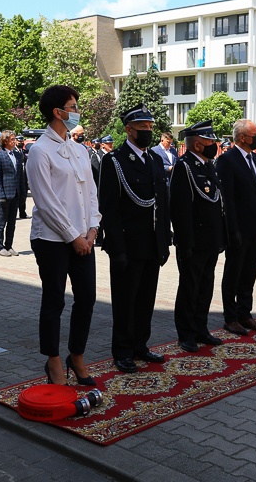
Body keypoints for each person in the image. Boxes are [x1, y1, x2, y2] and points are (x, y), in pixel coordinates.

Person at [28, 85, 100, 387]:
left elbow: (91, 192)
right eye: (72, 107)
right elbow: (46, 202)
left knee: (87, 298)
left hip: (85, 238)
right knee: (54, 300)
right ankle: (53, 360)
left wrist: (93, 227)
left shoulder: (80, 149)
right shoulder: (39, 151)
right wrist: (73, 237)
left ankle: (77, 355)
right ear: (57, 112)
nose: (76, 112)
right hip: (53, 240)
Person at [98, 104, 170, 373]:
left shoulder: (153, 160)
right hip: (128, 244)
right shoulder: (114, 160)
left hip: (151, 244)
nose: (148, 131)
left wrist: (164, 241)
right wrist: (117, 248)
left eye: (150, 127)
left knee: (145, 299)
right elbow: (109, 208)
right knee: (125, 301)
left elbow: (162, 203)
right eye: (143, 128)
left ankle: (141, 345)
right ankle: (123, 350)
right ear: (129, 129)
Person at [170, 120, 225, 352]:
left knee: (205, 286)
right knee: (189, 288)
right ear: (198, 145)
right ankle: (186, 334)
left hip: (210, 239)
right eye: (210, 141)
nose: (215, 144)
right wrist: (185, 242)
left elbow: (216, 204)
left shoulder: (207, 165)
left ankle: (201, 328)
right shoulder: (184, 166)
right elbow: (180, 208)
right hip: (193, 240)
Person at [216, 119, 256, 336]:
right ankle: (230, 318)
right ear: (241, 138)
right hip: (239, 229)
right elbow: (227, 199)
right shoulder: (227, 160)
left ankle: (244, 313)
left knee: (249, 273)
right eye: (254, 135)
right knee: (234, 274)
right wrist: (233, 230)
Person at [0, 130, 27, 256]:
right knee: (2, 222)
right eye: (12, 139)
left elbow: (21, 176)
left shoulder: (18, 156)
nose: (15, 141)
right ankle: (0, 247)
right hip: (4, 196)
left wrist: (23, 193)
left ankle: (9, 245)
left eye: (14, 139)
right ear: (5, 141)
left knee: (12, 222)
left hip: (15, 194)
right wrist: (1, 194)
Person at [15, 135, 29, 219]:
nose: (20, 142)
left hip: (24, 177)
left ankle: (22, 212)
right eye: (19, 141)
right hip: (17, 178)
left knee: (24, 195)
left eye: (21, 141)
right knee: (17, 196)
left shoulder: (24, 152)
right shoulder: (14, 152)